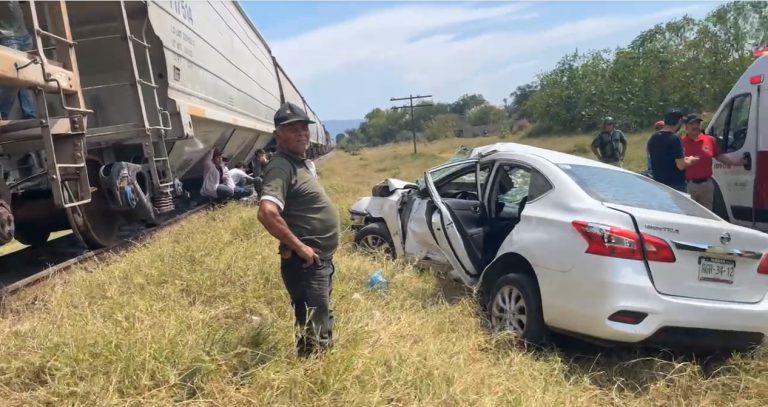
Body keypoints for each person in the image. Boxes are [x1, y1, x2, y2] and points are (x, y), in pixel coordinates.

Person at [257, 102, 340, 357]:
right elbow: (267, 212)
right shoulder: (281, 166)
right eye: (293, 128)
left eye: (304, 128)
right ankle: (316, 381)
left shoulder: (301, 163)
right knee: (315, 328)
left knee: (317, 320)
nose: (301, 133)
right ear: (278, 135)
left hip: (317, 261)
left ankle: (315, 370)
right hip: (305, 264)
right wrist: (301, 247)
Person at [681, 113, 745, 210]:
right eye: (692, 124)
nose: (695, 126)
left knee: (708, 215)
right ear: (686, 126)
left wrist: (735, 162)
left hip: (707, 184)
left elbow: (718, 156)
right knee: (690, 215)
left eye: (697, 123)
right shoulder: (681, 143)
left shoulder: (709, 140)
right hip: (689, 185)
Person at [646, 109, 700, 192]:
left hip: (659, 184)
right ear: (679, 122)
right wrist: (690, 160)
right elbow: (680, 165)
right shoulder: (675, 139)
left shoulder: (653, 138)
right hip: (676, 185)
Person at [0, 1, 37, 120]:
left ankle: (29, 114)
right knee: (14, 78)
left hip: (24, 36)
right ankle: (2, 112)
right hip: (8, 37)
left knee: (24, 79)